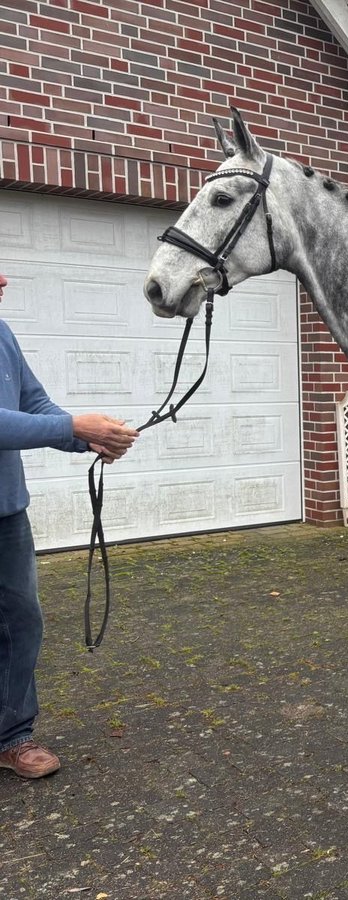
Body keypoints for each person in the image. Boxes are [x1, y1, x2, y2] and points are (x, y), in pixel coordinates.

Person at [0, 270, 139, 778]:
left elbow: (32, 404)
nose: (3, 279)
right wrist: (71, 426)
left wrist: (89, 440)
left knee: (20, 623)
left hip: (7, 511)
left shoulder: (3, 332)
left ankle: (13, 737)